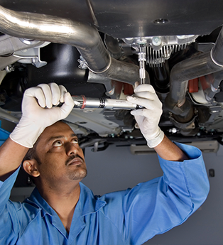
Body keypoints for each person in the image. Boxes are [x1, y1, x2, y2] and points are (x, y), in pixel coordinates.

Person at [0, 83, 209, 245]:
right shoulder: (16, 225)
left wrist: (155, 136)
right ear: (32, 167)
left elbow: (186, 194)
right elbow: (186, 195)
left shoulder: (118, 217)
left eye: (74, 140)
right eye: (57, 143)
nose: (73, 148)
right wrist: (26, 130)